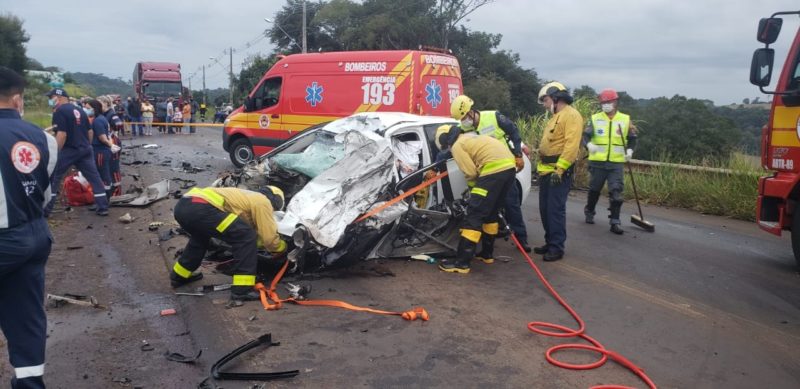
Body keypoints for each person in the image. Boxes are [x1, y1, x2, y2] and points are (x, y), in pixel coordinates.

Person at [0, 66, 58, 389]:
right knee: (26, 319)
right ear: (18, 99)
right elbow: (46, 195)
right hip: (35, 235)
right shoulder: (44, 139)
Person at [169, 186, 288, 300]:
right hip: (202, 208)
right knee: (245, 236)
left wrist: (257, 242)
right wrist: (282, 247)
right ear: (276, 201)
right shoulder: (263, 201)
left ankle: (179, 276)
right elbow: (269, 239)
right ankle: (242, 290)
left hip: (183, 206)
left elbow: (246, 232)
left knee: (200, 237)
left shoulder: (247, 197)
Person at [449, 95, 531, 252]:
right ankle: (492, 236)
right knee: (491, 208)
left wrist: (518, 154)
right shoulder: (464, 128)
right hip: (486, 172)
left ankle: (522, 240)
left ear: (471, 112)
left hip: (504, 166)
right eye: (461, 119)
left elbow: (514, 132)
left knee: (511, 204)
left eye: (464, 117)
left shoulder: (494, 117)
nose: (463, 122)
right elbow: (452, 144)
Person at [433, 124, 516, 274]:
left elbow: (471, 173)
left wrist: (473, 193)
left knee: (474, 214)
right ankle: (487, 254)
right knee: (491, 214)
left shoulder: (457, 146)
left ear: (445, 140)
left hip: (493, 171)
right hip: (509, 169)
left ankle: (461, 263)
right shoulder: (469, 137)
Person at [534, 82, 583, 262]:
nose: (544, 104)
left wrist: (560, 170)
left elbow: (571, 146)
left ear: (556, 98)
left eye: (545, 100)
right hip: (546, 171)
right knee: (545, 210)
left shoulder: (571, 115)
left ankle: (556, 247)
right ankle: (550, 242)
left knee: (555, 210)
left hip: (558, 172)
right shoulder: (555, 117)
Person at [44, 88, 110, 216]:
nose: (50, 100)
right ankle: (103, 207)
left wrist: (55, 152)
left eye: (51, 98)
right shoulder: (80, 110)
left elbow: (62, 134)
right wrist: (87, 145)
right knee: (95, 178)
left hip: (69, 150)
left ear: (59, 97)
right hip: (85, 149)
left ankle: (46, 209)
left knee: (54, 178)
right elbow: (89, 131)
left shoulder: (60, 111)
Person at [583, 88, 638, 235]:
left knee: (616, 192)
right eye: (603, 103)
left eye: (608, 102)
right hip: (597, 162)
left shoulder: (625, 119)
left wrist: (630, 151)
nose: (605, 105)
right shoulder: (595, 118)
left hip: (615, 163)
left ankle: (615, 222)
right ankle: (589, 210)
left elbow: (632, 138)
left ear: (615, 102)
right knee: (594, 190)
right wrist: (589, 145)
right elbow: (585, 136)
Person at [86, 99, 117, 199]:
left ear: (94, 109)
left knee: (103, 174)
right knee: (105, 173)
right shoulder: (101, 118)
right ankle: (107, 195)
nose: (86, 110)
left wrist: (110, 145)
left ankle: (106, 197)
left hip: (100, 151)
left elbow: (102, 137)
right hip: (103, 150)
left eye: (88, 108)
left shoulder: (98, 121)